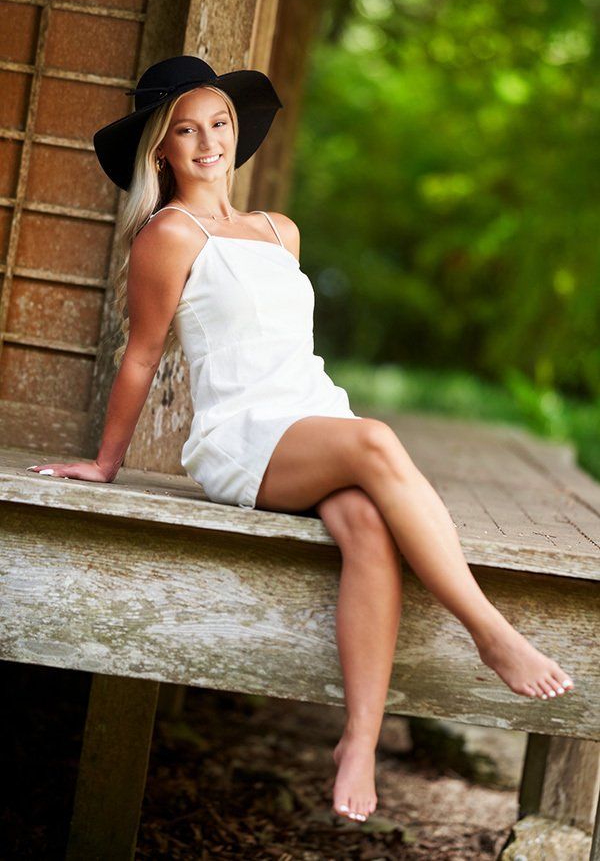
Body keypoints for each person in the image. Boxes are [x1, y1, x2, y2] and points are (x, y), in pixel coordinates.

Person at [26, 55, 574, 825]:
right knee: (379, 443)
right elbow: (143, 353)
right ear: (162, 150)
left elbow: (285, 347)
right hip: (242, 437)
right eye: (185, 131)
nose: (207, 141)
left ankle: (358, 737)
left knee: (367, 524)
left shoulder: (279, 231)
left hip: (312, 415)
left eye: (217, 123)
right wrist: (107, 463)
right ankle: (489, 631)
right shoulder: (168, 235)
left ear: (235, 130)